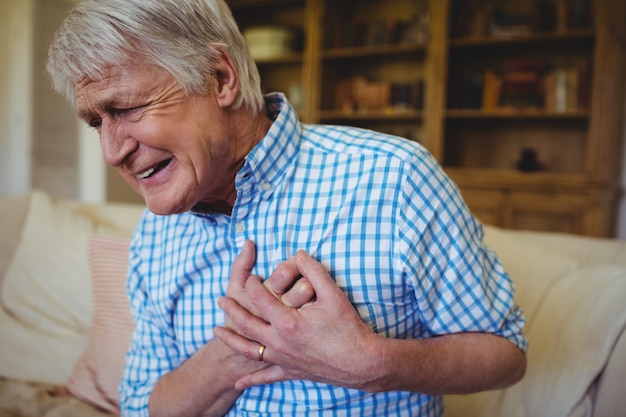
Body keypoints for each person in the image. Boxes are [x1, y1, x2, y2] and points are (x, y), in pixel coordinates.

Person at [47, 0, 528, 416]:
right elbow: (144, 406)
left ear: (220, 79)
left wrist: (375, 364)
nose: (111, 152)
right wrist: (236, 350)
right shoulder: (153, 236)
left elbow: (506, 352)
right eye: (96, 122)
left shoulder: (394, 178)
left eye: (128, 108)